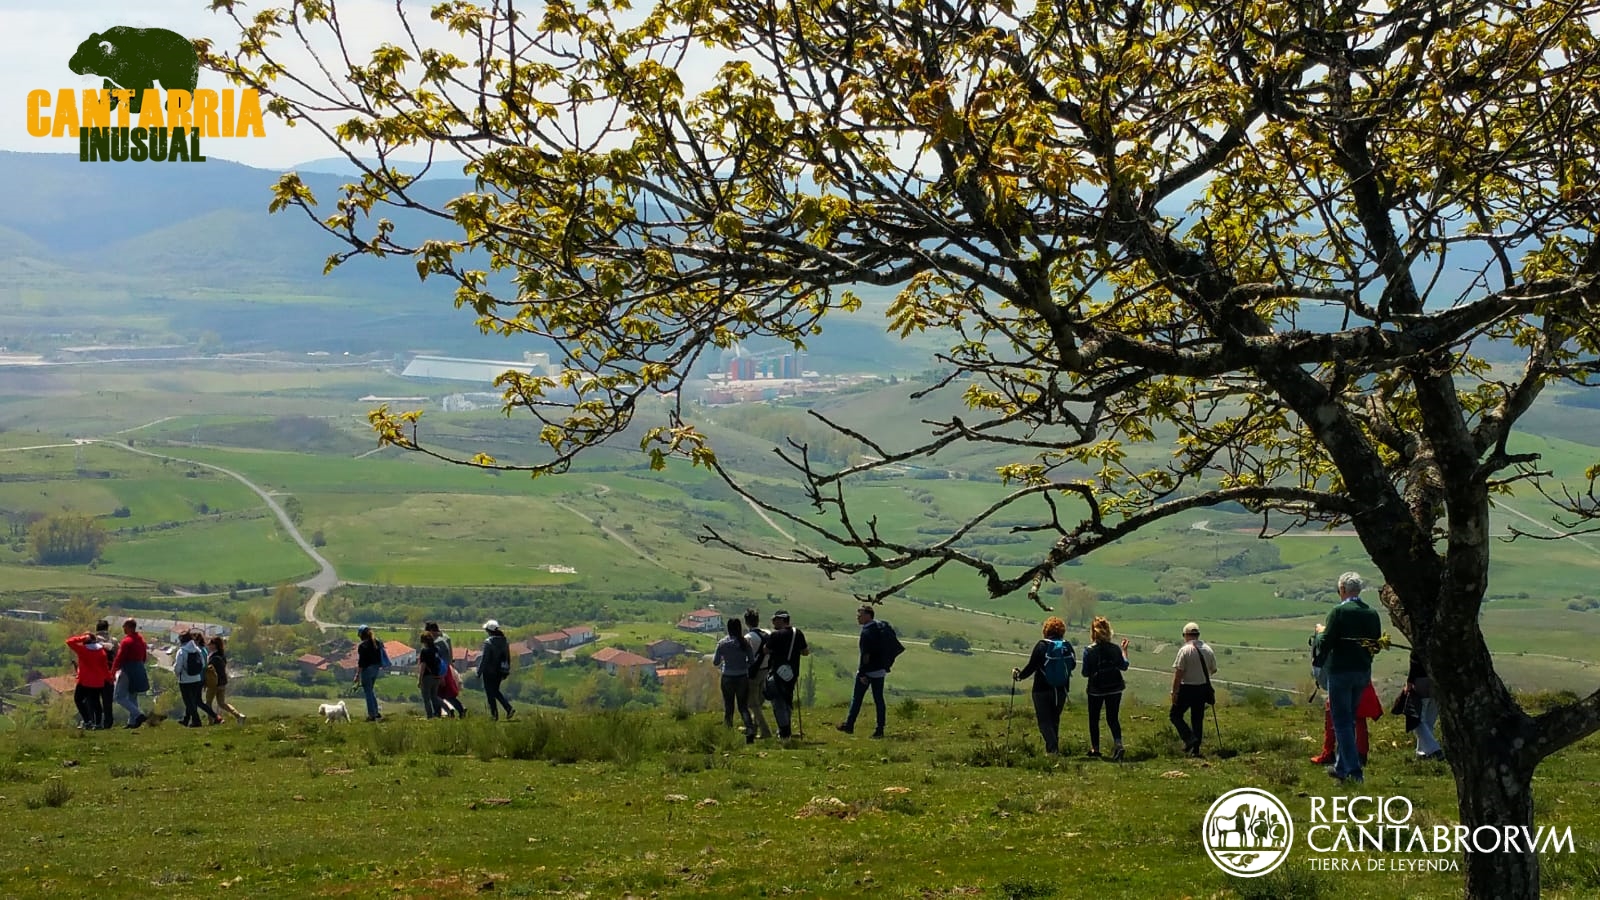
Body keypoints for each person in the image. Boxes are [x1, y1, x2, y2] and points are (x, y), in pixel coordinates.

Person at [1312, 571, 1382, 783]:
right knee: (1350, 718)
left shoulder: (1338, 612)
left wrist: (1321, 634)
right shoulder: (1371, 613)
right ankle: (1341, 767)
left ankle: (1353, 771)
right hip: (1362, 672)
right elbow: (1376, 645)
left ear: (1342, 589)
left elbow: (1326, 643)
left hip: (1341, 671)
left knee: (1341, 721)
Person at [1012, 616, 1076, 755]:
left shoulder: (1042, 646)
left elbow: (1031, 666)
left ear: (1046, 630)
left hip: (1041, 689)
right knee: (1054, 720)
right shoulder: (1067, 646)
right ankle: (1053, 750)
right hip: (1061, 689)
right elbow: (1073, 665)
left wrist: (1019, 676)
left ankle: (1052, 749)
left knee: (1044, 721)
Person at [838, 604, 896, 738]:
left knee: (857, 698)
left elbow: (865, 655)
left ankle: (849, 725)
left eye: (860, 615)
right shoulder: (881, 627)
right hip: (880, 669)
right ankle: (880, 729)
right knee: (879, 700)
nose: (857, 618)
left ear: (868, 615)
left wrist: (862, 673)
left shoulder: (867, 632)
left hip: (868, 671)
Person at [1080, 616, 1130, 760]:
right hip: (1115, 687)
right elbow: (1124, 666)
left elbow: (1085, 673)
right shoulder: (1115, 649)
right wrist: (1124, 651)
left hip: (1096, 689)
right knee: (1112, 718)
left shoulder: (1089, 651)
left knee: (1094, 719)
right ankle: (1118, 744)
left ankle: (1095, 748)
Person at [1169, 621, 1217, 757]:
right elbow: (1213, 670)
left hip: (1186, 688)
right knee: (1197, 718)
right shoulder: (1208, 649)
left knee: (1175, 715)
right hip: (1202, 688)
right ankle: (1196, 750)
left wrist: (1174, 692)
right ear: (1198, 634)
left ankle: (1189, 738)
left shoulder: (1184, 650)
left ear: (1185, 635)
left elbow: (1178, 674)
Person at [760, 610, 809, 740]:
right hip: (792, 673)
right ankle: (784, 730)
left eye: (775, 619)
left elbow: (766, 650)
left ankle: (785, 732)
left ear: (781, 620)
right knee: (787, 700)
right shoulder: (797, 633)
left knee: (778, 702)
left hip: (777, 672)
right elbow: (805, 652)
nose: (773, 622)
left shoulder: (775, 635)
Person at [713, 619, 756, 744]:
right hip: (742, 677)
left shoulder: (722, 643)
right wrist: (744, 666)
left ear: (728, 628)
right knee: (743, 706)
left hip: (727, 677)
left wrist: (725, 663)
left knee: (729, 706)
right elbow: (752, 661)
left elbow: (715, 662)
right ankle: (750, 730)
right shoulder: (745, 642)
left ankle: (728, 733)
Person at [66, 631, 112, 730]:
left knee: (78, 699)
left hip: (84, 681)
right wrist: (109, 679)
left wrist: (82, 637)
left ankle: (87, 721)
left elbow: (69, 642)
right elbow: (105, 668)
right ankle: (98, 724)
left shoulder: (83, 650)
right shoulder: (102, 652)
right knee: (96, 703)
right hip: (98, 682)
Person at [111, 618, 150, 729]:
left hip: (128, 669)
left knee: (119, 696)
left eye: (124, 626)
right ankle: (132, 722)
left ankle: (139, 715)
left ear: (129, 627)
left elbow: (119, 657)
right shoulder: (141, 640)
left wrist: (113, 671)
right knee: (132, 696)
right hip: (139, 668)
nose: (123, 628)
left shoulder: (126, 641)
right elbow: (144, 657)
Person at [173, 631, 217, 727]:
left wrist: (177, 674)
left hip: (185, 680)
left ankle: (196, 721)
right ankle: (189, 720)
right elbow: (203, 663)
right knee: (195, 701)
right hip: (197, 679)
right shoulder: (197, 649)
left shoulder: (181, 651)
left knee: (189, 702)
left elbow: (178, 667)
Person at [1408, 649, 1443, 761]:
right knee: (1429, 720)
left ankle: (1434, 749)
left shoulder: (1418, 648)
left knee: (1417, 720)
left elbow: (1414, 667)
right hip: (1438, 683)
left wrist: (1409, 682)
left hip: (1421, 683)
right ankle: (1422, 752)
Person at [742, 609, 772, 740]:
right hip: (765, 669)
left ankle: (765, 731)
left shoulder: (748, 638)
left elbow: (745, 656)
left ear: (747, 622)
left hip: (753, 672)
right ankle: (754, 729)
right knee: (758, 701)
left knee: (753, 704)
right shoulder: (767, 634)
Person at [425, 622, 467, 718]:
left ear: (431, 631)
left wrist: (441, 675)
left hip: (441, 671)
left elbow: (440, 659)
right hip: (445, 669)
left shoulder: (438, 643)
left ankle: (453, 710)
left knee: (442, 694)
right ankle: (457, 710)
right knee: (443, 693)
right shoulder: (444, 638)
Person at [477, 619, 515, 721]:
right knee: (495, 691)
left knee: (490, 694)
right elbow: (507, 657)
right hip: (499, 672)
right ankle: (508, 708)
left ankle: (494, 715)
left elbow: (484, 659)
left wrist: (479, 673)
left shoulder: (488, 643)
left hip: (489, 672)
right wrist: (506, 670)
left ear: (489, 631)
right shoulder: (504, 641)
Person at [204, 635, 245, 723]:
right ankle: (238, 715)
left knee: (208, 703)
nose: (208, 646)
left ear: (214, 645)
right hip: (222, 683)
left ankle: (211, 721)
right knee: (222, 703)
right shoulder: (222, 655)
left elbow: (209, 670)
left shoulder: (213, 658)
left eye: (210, 644)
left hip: (214, 684)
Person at [354, 625, 385, 721]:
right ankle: (376, 712)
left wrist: (357, 675)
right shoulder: (377, 642)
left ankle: (372, 715)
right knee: (370, 690)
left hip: (367, 670)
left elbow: (361, 662)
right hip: (376, 669)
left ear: (361, 635)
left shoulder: (363, 646)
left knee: (368, 692)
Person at [96, 619, 117, 729]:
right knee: (107, 701)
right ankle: (108, 722)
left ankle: (96, 721)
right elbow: (117, 656)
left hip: (96, 674)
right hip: (109, 674)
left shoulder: (94, 640)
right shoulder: (113, 641)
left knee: (94, 699)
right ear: (107, 628)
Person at [417, 632, 443, 719]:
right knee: (434, 696)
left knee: (426, 698)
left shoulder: (424, 651)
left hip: (427, 677)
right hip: (437, 676)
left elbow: (423, 665)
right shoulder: (437, 649)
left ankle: (429, 716)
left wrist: (420, 679)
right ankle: (438, 713)